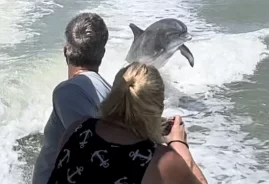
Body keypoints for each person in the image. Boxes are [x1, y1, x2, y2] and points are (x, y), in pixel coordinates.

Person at [47, 62, 208, 184]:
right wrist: (179, 145)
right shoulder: (163, 162)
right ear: (158, 107)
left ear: (112, 96)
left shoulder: (76, 130)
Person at [32, 12, 111, 184]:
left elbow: (89, 153)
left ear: (65, 49)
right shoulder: (109, 90)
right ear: (102, 53)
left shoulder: (68, 92)